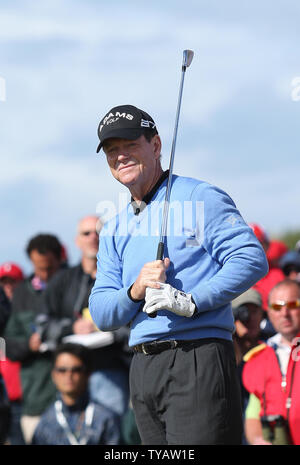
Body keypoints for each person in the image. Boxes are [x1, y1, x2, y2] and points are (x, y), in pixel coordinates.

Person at [89, 104, 268, 445]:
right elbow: (101, 311)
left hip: (197, 358)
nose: (121, 156)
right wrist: (135, 290)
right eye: (112, 151)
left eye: (130, 146)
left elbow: (250, 258)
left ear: (155, 146)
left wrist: (192, 301)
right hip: (142, 368)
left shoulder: (200, 196)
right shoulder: (113, 228)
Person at [38, 215, 132, 417]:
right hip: (67, 375)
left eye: (98, 232)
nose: (93, 237)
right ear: (77, 241)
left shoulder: (125, 277)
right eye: (86, 233)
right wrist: (72, 327)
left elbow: (138, 325)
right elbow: (41, 325)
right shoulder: (62, 281)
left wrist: (111, 327)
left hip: (111, 370)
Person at [3, 233, 64, 444]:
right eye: (39, 269)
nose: (45, 274)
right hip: (36, 396)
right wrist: (28, 344)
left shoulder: (74, 285)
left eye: (50, 268)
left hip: (75, 393)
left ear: (59, 260)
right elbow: (8, 345)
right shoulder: (22, 294)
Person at [242, 279, 300, 445]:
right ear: (269, 312)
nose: (284, 313)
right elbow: (253, 413)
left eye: (292, 304)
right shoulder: (257, 358)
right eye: (277, 307)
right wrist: (258, 440)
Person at [31, 343, 120, 445]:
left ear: (88, 374)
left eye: (76, 370)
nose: (69, 375)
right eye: (62, 370)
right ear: (53, 375)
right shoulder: (46, 422)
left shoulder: (106, 419)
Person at [0, 262, 24, 444]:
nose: (8, 286)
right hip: (8, 393)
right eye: (4, 282)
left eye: (13, 282)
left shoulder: (28, 306)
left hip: (27, 391)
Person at [249, 223, 285, 311]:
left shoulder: (278, 274)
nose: (253, 248)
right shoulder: (232, 274)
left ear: (267, 245)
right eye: (249, 243)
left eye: (259, 243)